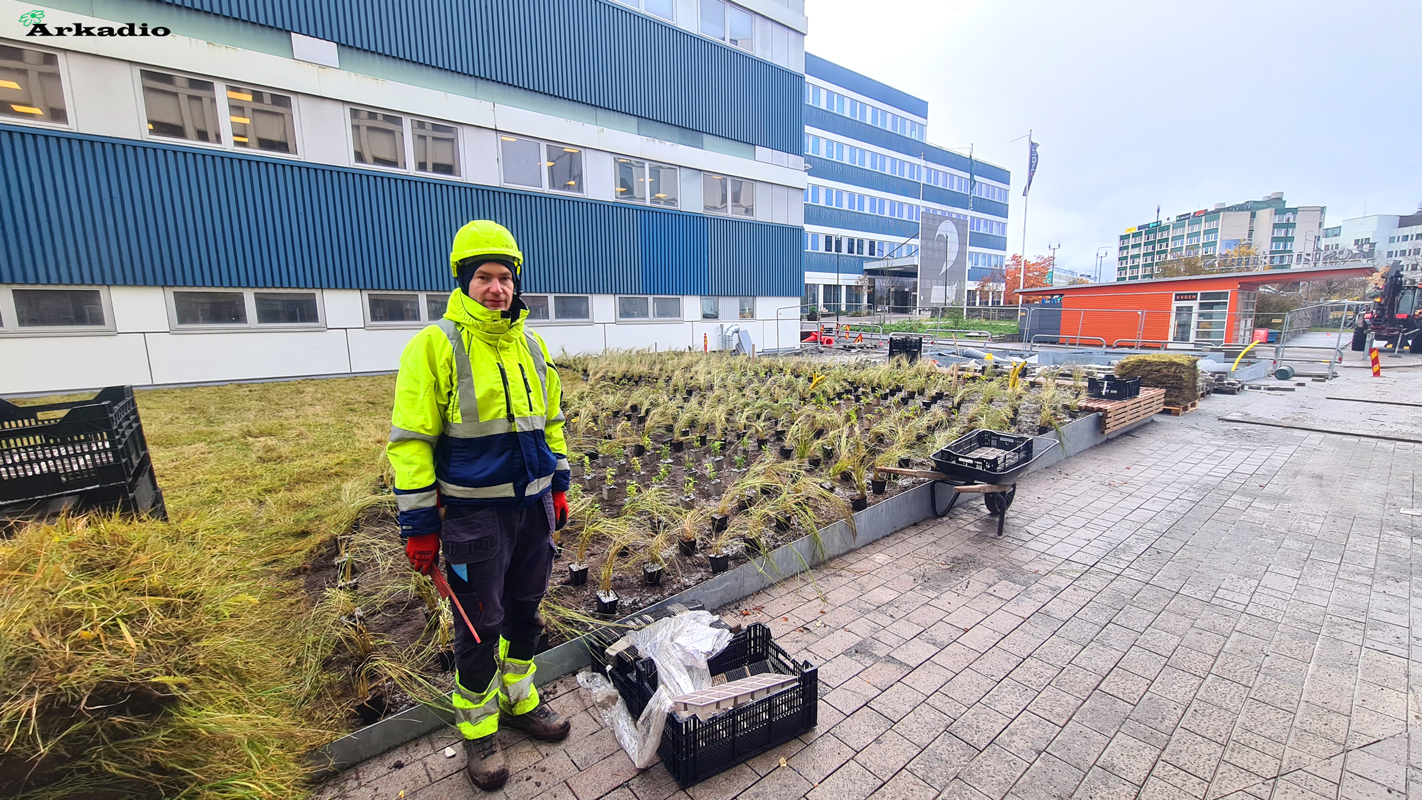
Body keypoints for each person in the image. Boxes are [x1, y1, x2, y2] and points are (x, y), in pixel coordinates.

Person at [386, 220, 571, 791]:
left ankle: (521, 700)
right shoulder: (435, 344)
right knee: (478, 625)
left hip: (532, 509)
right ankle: (479, 733)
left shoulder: (531, 345)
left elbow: (553, 423)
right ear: (464, 282)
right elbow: (412, 440)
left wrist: (558, 483)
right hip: (473, 518)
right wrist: (419, 523)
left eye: (505, 277)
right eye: (484, 277)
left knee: (525, 610)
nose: (497, 288)